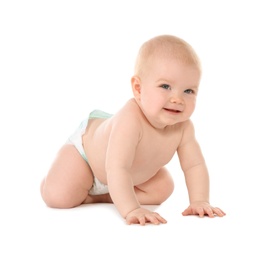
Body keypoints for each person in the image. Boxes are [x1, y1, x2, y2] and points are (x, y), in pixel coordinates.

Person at [40, 34, 226, 225]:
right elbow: (117, 167)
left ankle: (103, 197)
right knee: (59, 197)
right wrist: (132, 209)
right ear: (138, 89)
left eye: (189, 91)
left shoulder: (184, 128)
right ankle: (84, 186)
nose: (178, 99)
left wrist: (200, 201)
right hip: (86, 158)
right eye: (165, 86)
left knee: (164, 187)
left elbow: (194, 165)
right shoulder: (130, 120)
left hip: (126, 176)